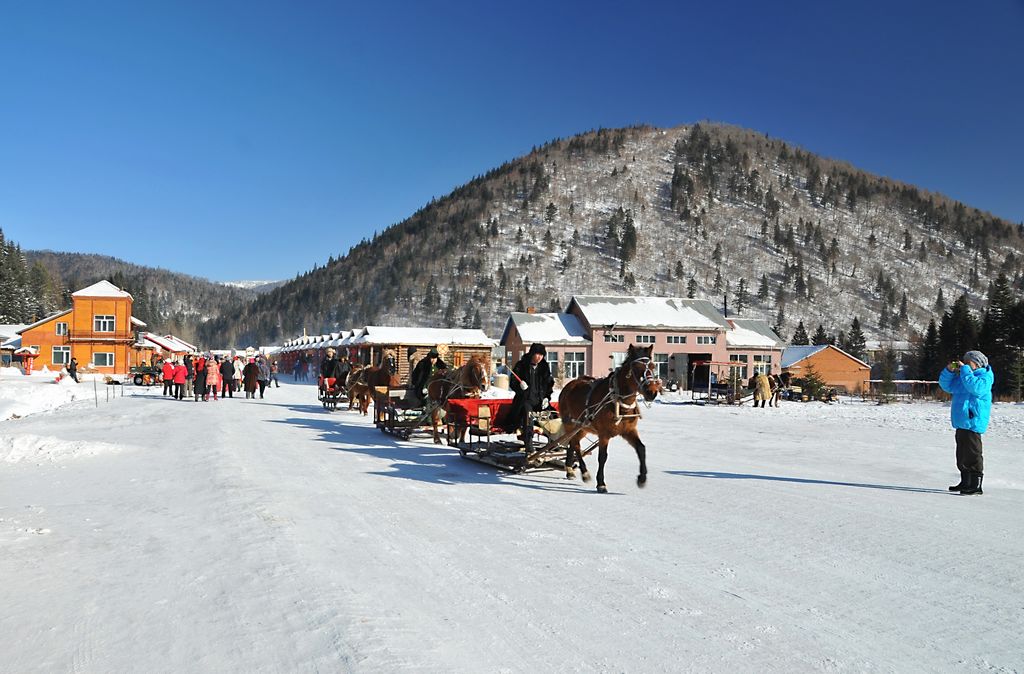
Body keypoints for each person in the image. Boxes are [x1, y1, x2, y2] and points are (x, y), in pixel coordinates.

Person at [938, 350, 994, 495]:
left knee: (973, 454)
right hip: (961, 421)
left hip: (973, 421)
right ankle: (965, 481)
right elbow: (946, 386)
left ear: (977, 364)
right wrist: (949, 371)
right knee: (962, 454)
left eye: (968, 362)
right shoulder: (965, 376)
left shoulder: (985, 377)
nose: (965, 365)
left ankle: (976, 485)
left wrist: (965, 370)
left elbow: (975, 388)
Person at [509, 343, 554, 453]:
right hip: (524, 400)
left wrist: (547, 397)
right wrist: (520, 386)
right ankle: (528, 442)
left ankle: (553, 441)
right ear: (532, 354)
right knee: (528, 414)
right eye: (537, 354)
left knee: (551, 416)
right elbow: (513, 382)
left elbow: (549, 384)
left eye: (542, 355)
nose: (539, 357)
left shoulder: (544, 367)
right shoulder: (521, 365)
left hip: (539, 400)